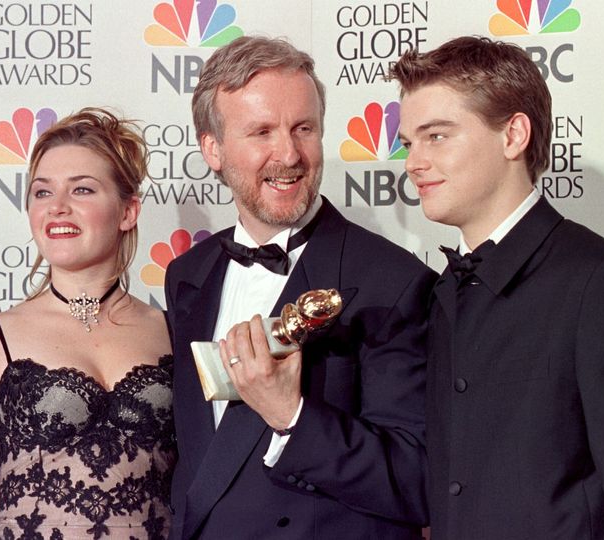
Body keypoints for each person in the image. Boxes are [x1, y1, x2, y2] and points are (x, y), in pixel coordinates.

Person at [390, 36, 604, 539]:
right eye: (410, 143)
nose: (413, 163)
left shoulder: (600, 282)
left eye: (437, 136)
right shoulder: (442, 293)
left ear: (513, 134)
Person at [163, 36, 437, 539]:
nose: (288, 154)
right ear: (213, 149)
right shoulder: (187, 275)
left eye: (303, 129)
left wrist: (292, 415)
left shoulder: (393, 284)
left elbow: (417, 479)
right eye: (261, 131)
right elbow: (202, 460)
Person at [0, 108, 176, 540]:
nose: (57, 208)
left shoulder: (175, 331)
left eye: (82, 189)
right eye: (42, 193)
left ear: (128, 212)